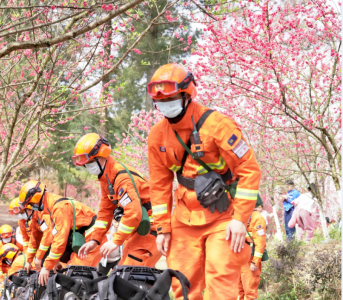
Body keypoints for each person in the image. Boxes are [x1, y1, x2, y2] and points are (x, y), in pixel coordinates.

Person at [147, 63, 262, 299]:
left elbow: (249, 170)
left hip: (222, 216)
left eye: (171, 98)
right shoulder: (157, 135)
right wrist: (162, 227)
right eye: (160, 101)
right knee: (182, 283)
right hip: (183, 217)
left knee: (220, 282)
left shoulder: (218, 125)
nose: (164, 105)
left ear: (187, 95)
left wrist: (240, 220)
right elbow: (159, 185)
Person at [73, 134, 162, 267]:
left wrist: (116, 241)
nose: (89, 167)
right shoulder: (107, 179)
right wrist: (95, 240)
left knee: (128, 275)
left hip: (151, 228)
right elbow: (104, 213)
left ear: (102, 156)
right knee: (122, 275)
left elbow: (133, 212)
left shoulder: (121, 178)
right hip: (140, 230)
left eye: (91, 162)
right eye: (86, 164)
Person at [18, 180, 103, 285]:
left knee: (75, 278)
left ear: (36, 199)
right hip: (84, 240)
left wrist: (46, 267)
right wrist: (55, 260)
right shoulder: (51, 208)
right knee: (70, 276)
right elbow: (56, 236)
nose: (32, 207)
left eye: (31, 204)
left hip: (91, 241)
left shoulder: (59, 208)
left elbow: (60, 239)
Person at [238, 198, 267, 300]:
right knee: (239, 290)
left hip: (250, 260)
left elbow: (260, 243)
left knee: (249, 291)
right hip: (239, 259)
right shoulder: (240, 216)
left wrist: (255, 262)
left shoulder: (257, 219)